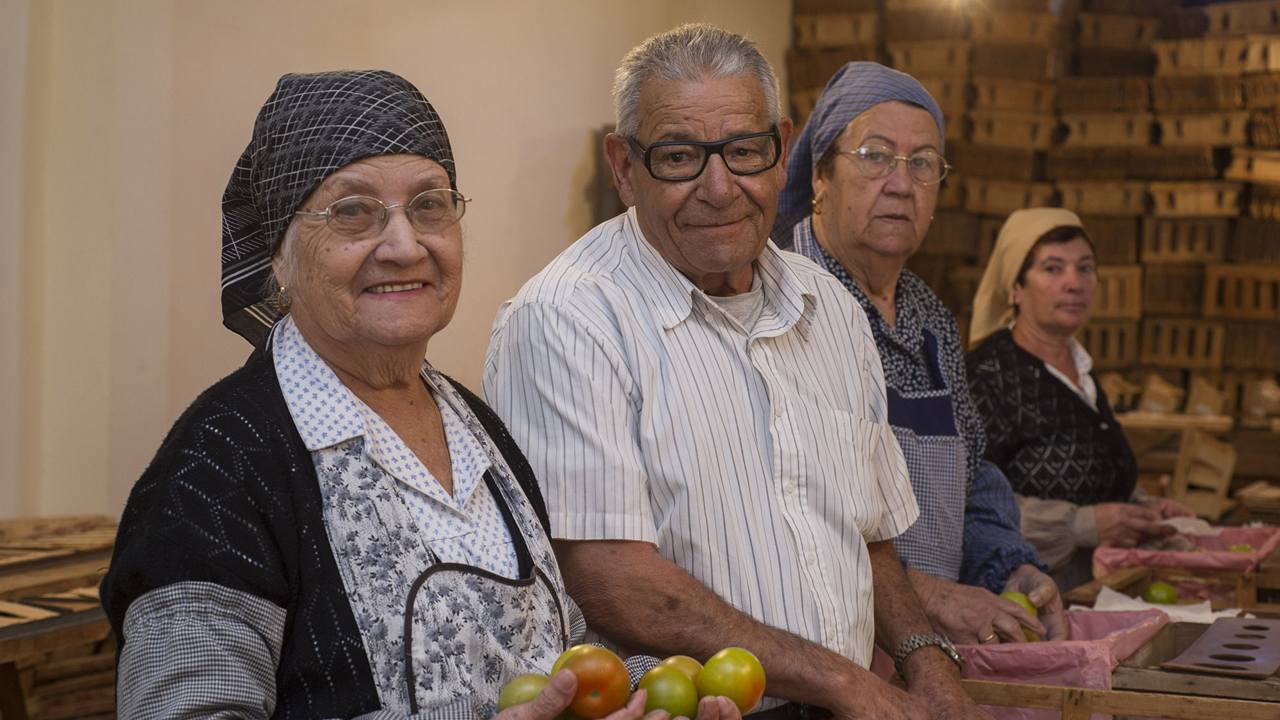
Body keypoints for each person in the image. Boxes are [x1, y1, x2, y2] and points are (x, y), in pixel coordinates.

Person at [100, 69, 739, 720]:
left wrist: (647, 691)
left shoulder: (477, 432)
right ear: (279, 256)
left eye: (429, 205)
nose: (405, 246)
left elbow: (560, 647)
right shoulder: (218, 469)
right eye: (353, 212)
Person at [486, 25, 991, 720]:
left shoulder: (832, 311)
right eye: (679, 157)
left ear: (781, 152)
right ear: (624, 167)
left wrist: (926, 663)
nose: (719, 188)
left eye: (744, 151)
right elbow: (608, 578)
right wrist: (844, 682)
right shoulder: (566, 319)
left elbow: (867, 535)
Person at [771, 62, 1066, 647]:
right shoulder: (778, 303)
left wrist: (1008, 566)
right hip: (813, 660)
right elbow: (783, 515)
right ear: (821, 177)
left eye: (924, 163)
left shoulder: (929, 318)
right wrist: (929, 598)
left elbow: (973, 475)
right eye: (875, 156)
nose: (902, 184)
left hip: (928, 653)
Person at [965, 208, 1191, 590]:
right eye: (1053, 269)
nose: (1074, 283)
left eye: (1085, 268)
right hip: (1024, 598)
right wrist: (1081, 525)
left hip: (1094, 590)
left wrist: (1139, 510)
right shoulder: (988, 375)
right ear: (1016, 288)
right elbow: (968, 501)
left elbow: (1085, 472)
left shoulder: (1080, 369)